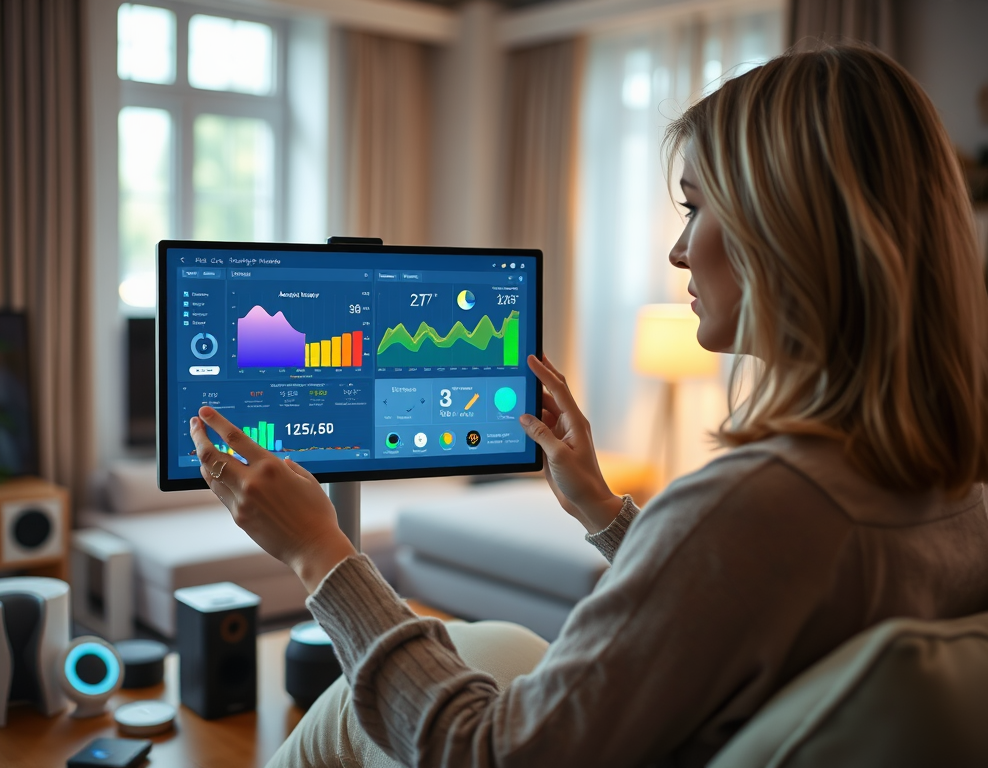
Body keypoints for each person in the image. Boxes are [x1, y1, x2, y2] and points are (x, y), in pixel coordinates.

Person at [188, 43, 988, 767]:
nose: (679, 249)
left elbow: (481, 753)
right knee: (492, 638)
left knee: (343, 718)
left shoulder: (757, 502)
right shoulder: (951, 491)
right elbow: (745, 599)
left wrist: (320, 555)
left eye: (694, 206)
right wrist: (604, 508)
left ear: (785, 228)